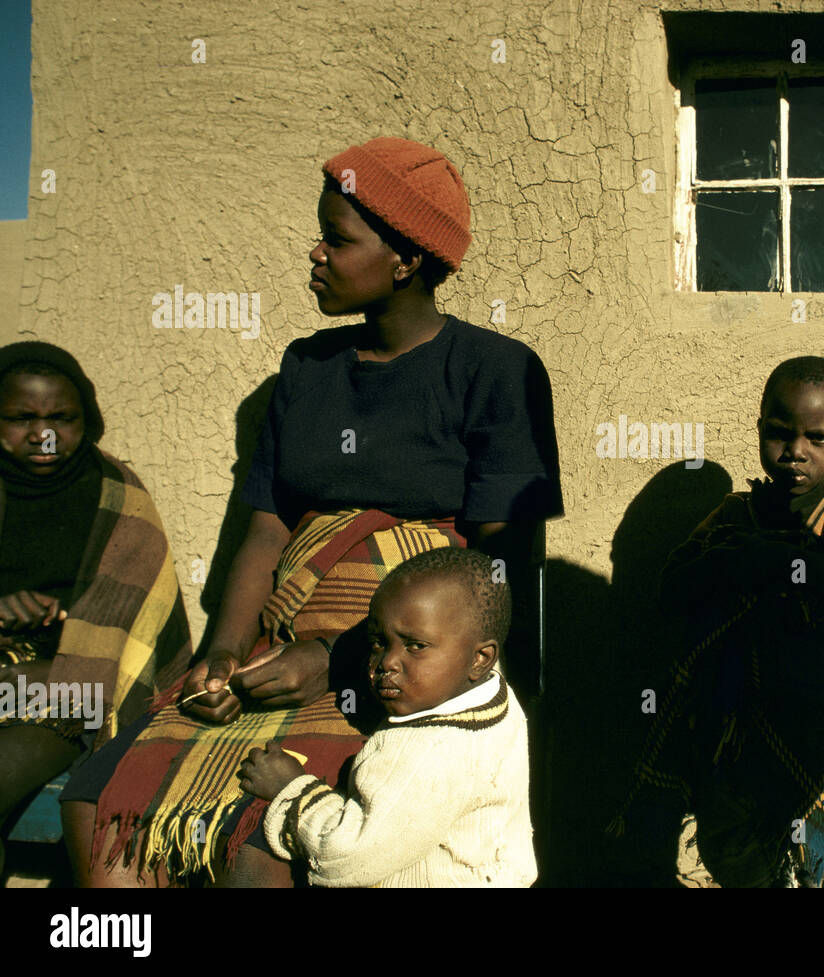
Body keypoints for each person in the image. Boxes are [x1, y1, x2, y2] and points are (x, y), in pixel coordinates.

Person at [60, 137, 563, 887]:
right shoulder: (307, 367)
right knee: (98, 800)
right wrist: (223, 652)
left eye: (337, 237)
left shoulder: (495, 372)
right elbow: (267, 521)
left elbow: (501, 566)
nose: (316, 253)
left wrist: (336, 659)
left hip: (405, 662)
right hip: (281, 641)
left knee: (260, 844)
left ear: (406, 258)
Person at [614, 356, 824, 887]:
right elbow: (674, 588)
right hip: (736, 719)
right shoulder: (734, 514)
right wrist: (739, 558)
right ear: (759, 432)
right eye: (779, 433)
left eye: (817, 438)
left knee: (801, 846)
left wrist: (773, 563)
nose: (795, 451)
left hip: (817, 712)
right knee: (732, 833)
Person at [0, 342, 191, 877]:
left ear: (90, 420)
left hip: (69, 699)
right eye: (20, 419)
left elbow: (129, 643)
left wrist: (49, 669)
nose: (43, 435)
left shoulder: (118, 498)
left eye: (62, 418)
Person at [240, 548, 535, 887]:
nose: (387, 663)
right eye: (379, 642)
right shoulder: (490, 692)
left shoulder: (428, 754)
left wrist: (291, 789)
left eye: (415, 646)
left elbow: (342, 860)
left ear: (480, 658)